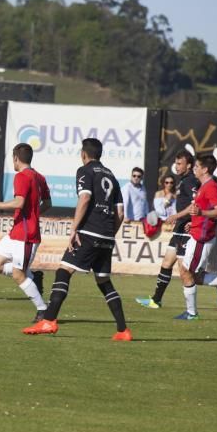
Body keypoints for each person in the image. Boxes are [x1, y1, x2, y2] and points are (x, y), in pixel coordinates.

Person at [23, 138, 131, 340]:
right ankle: (123, 330)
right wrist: (109, 234)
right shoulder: (112, 177)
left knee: (64, 271)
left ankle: (49, 320)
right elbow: (121, 213)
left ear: (83, 154)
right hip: (106, 235)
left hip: (89, 232)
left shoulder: (85, 171)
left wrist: (74, 229)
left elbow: (85, 198)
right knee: (103, 280)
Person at [0, 143, 51, 321]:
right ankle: (33, 277)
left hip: (26, 236)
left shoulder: (21, 177)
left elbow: (19, 203)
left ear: (16, 158)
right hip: (16, 232)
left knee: (18, 275)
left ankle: (43, 310)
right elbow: (48, 204)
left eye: (13, 159)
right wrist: (34, 213)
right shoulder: (39, 177)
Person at [172, 154, 217, 319]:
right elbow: (203, 211)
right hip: (197, 233)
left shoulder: (211, 186)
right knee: (195, 276)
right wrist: (195, 221)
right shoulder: (203, 186)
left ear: (205, 169)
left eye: (197, 166)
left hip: (202, 237)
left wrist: (201, 213)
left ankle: (192, 313)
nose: (194, 169)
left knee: (186, 271)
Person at [136, 151, 200, 309]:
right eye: (176, 163)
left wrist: (181, 217)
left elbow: (195, 205)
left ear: (189, 165)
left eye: (180, 163)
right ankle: (156, 300)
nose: (176, 166)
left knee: (187, 272)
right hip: (179, 229)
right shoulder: (182, 181)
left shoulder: (191, 181)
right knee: (166, 263)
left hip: (186, 231)